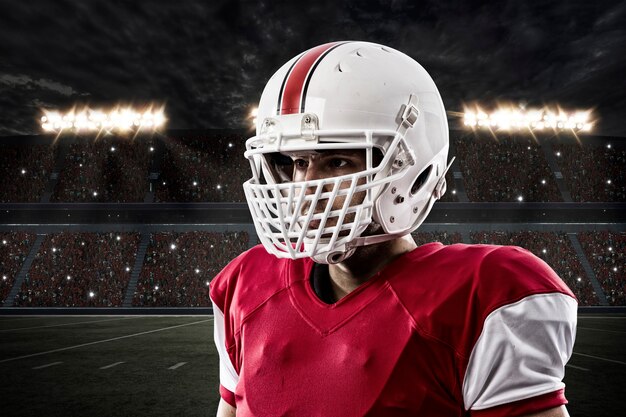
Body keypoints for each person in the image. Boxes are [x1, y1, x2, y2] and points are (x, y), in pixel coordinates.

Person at [210, 41, 577, 417]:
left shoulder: (482, 296)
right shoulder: (246, 284)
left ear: (411, 169)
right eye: (299, 162)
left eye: (337, 161)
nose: (307, 189)